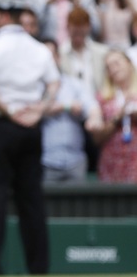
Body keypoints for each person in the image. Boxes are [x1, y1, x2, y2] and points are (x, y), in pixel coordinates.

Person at [0, 0, 60, 275]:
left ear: (6, 16)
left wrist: (9, 111)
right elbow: (54, 83)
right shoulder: (39, 48)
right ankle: (39, 267)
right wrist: (38, 111)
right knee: (31, 199)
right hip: (30, 129)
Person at [40, 38, 104, 182]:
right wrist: (66, 106)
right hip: (45, 161)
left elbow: (91, 105)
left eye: (51, 56)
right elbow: (33, 111)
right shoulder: (33, 86)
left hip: (75, 161)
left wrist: (95, 117)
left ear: (58, 57)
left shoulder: (74, 84)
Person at [91, 50, 137, 183]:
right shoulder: (103, 98)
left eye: (117, 63)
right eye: (109, 67)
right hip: (112, 163)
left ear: (128, 63)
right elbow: (96, 138)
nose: (113, 69)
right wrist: (118, 117)